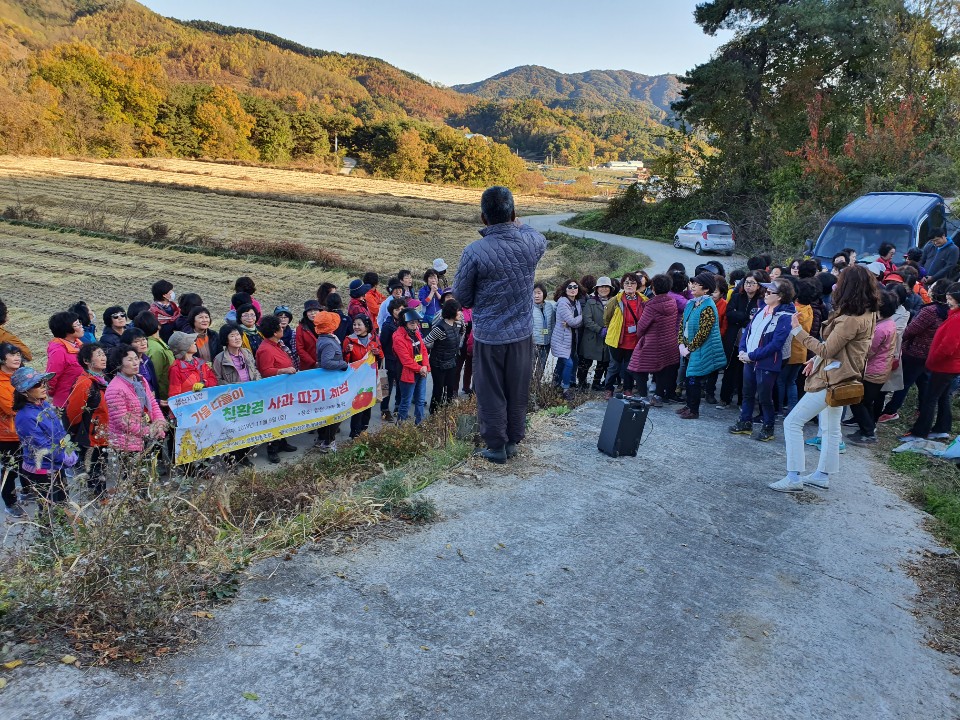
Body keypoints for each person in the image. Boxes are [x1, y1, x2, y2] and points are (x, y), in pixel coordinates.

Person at [452, 186, 547, 463]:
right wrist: (520, 224)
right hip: (521, 335)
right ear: (514, 213)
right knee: (517, 388)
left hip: (489, 336)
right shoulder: (531, 244)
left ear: (483, 218)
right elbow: (538, 236)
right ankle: (514, 441)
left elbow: (462, 297)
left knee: (490, 391)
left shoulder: (474, 251)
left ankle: (496, 447)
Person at [772, 264, 878, 493]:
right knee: (830, 427)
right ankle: (822, 474)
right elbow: (841, 350)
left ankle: (793, 477)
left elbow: (826, 350)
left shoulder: (851, 319)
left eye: (840, 281)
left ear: (850, 287)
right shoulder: (868, 312)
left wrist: (797, 330)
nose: (835, 284)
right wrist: (816, 360)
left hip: (833, 379)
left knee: (792, 422)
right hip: (845, 375)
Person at [729, 279, 795, 441]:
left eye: (769, 292)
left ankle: (768, 427)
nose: (765, 294)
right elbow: (748, 331)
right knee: (747, 393)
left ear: (780, 296)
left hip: (766, 362)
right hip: (749, 358)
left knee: (765, 398)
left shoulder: (785, 317)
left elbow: (776, 344)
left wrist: (752, 355)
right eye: (766, 291)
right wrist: (743, 349)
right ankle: (745, 422)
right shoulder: (762, 308)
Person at [900, 282, 960, 442]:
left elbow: (948, 346)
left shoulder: (957, 319)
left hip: (945, 365)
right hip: (949, 365)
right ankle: (942, 428)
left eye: (950, 299)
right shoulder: (954, 315)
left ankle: (920, 432)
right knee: (942, 396)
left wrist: (932, 360)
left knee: (930, 398)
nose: (948, 303)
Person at [12, 366, 76, 507]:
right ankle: (48, 529)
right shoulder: (26, 417)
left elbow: (59, 431)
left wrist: (69, 449)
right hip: (43, 469)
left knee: (63, 503)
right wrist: (63, 457)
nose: (43, 386)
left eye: (43, 382)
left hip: (57, 464)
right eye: (36, 384)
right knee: (50, 510)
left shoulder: (44, 405)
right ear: (24, 392)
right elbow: (41, 446)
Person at [105, 344, 167, 476]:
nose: (135, 363)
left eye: (136, 358)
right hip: (127, 443)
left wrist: (159, 423)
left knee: (150, 478)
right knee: (134, 482)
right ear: (119, 364)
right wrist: (149, 431)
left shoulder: (140, 379)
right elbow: (123, 421)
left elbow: (153, 404)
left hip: (147, 436)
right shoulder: (115, 388)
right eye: (130, 360)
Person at [845, 291, 898, 444]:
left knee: (856, 400)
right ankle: (867, 429)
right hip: (880, 370)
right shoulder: (889, 323)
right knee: (866, 401)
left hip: (873, 371)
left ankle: (868, 432)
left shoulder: (880, 329)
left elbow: (867, 351)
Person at [677, 273, 727, 420]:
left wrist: (689, 348)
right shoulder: (692, 303)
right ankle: (688, 405)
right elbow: (683, 324)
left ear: (706, 289)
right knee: (688, 377)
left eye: (696, 284)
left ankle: (694, 410)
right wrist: (681, 343)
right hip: (688, 347)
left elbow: (703, 332)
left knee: (693, 379)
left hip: (701, 349)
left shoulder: (708, 306)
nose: (692, 286)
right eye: (692, 283)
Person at [213, 324, 262, 467]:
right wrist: (233, 389)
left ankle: (244, 456)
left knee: (247, 428)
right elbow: (217, 380)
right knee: (232, 430)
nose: (237, 338)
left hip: (250, 397)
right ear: (226, 339)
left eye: (238, 335)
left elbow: (255, 370)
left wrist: (258, 384)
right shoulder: (220, 359)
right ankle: (230, 460)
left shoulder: (246, 353)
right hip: (233, 400)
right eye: (232, 335)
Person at [627, 274, 679, 406]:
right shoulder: (672, 302)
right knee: (662, 369)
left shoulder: (651, 306)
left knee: (637, 368)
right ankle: (658, 397)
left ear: (653, 288)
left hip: (652, 343)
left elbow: (641, 328)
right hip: (669, 342)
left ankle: (643, 396)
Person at [65, 343, 109, 497]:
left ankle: (101, 493)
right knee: (95, 466)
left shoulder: (103, 379)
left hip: (104, 432)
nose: (103, 358)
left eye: (103, 354)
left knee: (102, 464)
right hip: (92, 434)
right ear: (86, 361)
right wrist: (80, 431)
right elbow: (73, 412)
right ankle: (99, 496)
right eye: (98, 355)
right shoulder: (84, 383)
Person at [719, 272, 765, 408]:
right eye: (746, 282)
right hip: (734, 337)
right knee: (729, 368)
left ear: (758, 286)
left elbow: (757, 319)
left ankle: (741, 401)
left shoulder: (761, 301)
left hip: (750, 341)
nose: (748, 286)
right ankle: (724, 399)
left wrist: (742, 318)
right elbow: (730, 314)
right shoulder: (737, 296)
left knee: (744, 372)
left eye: (752, 283)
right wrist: (746, 318)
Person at [256, 315, 298, 463]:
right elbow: (265, 370)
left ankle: (282, 442)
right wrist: (283, 370)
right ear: (275, 332)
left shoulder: (276, 344)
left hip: (283, 388)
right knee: (274, 419)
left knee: (283, 417)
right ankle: (272, 449)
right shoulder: (266, 349)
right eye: (280, 327)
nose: (283, 328)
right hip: (273, 391)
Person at [603, 273, 646, 398]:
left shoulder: (644, 300)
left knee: (629, 367)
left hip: (634, 340)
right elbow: (607, 318)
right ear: (622, 284)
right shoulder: (615, 300)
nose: (629, 285)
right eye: (626, 283)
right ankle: (608, 389)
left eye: (632, 283)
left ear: (637, 285)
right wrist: (613, 329)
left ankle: (628, 389)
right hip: (617, 339)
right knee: (614, 366)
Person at [343, 314, 384, 437]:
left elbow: (381, 356)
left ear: (367, 326)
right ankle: (354, 433)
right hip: (356, 379)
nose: (356, 327)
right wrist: (347, 352)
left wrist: (378, 353)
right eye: (354, 324)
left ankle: (364, 429)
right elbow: (345, 362)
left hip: (371, 378)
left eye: (359, 324)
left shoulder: (374, 339)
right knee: (358, 405)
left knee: (368, 404)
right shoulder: (349, 340)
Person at [314, 311, 349, 452]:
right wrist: (343, 364)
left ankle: (324, 439)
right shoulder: (328, 342)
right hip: (331, 381)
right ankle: (328, 442)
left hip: (329, 380)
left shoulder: (325, 338)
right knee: (336, 412)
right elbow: (327, 362)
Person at [0, 343, 28, 516]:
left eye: (18, 354)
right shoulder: (1, 382)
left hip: (26, 429)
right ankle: (10, 502)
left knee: (27, 463)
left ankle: (28, 490)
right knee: (10, 469)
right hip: (7, 434)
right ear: (2, 359)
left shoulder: (23, 376)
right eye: (12, 355)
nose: (17, 357)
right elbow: (11, 408)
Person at [424, 298, 463, 414]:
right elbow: (426, 341)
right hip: (438, 363)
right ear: (451, 312)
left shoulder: (458, 325)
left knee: (450, 388)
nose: (460, 313)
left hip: (451, 360)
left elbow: (460, 338)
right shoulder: (439, 328)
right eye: (458, 311)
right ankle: (434, 414)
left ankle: (447, 413)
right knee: (438, 390)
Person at [393, 308, 430, 426]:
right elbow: (405, 360)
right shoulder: (398, 337)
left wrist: (425, 366)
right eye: (412, 323)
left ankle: (419, 423)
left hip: (421, 371)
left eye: (416, 322)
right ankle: (400, 426)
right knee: (406, 402)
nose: (415, 325)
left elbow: (423, 350)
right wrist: (420, 368)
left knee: (420, 400)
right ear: (405, 323)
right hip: (407, 374)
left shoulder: (416, 332)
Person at [133, 311, 174, 408]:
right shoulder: (155, 348)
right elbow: (156, 376)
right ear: (157, 325)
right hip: (164, 396)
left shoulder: (155, 342)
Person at [45, 311, 85, 409]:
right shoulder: (59, 352)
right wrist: (51, 394)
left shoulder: (78, 345)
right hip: (67, 401)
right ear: (67, 329)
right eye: (77, 324)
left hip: (82, 396)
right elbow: (51, 378)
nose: (81, 326)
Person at [550, 280, 583, 397]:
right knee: (568, 363)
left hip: (572, 339)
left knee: (561, 363)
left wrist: (574, 322)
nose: (573, 289)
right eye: (570, 287)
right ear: (565, 289)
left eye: (575, 286)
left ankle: (555, 384)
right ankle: (565, 389)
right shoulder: (563, 303)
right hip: (561, 339)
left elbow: (575, 323)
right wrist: (582, 316)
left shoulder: (577, 302)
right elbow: (573, 322)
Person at [578, 277, 612, 391]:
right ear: (597, 289)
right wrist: (599, 329)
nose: (604, 289)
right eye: (601, 287)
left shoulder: (614, 302)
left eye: (606, 287)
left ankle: (596, 383)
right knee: (586, 362)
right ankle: (582, 383)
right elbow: (587, 320)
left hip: (607, 338)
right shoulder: (590, 302)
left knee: (602, 362)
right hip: (591, 338)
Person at [378, 298, 406, 422]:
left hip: (402, 360)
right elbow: (383, 343)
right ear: (391, 311)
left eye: (402, 309)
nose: (400, 311)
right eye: (397, 309)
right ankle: (384, 410)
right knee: (386, 387)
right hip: (389, 360)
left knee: (401, 384)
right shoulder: (387, 325)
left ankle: (398, 407)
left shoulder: (406, 322)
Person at [167, 331, 218, 398]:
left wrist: (204, 383)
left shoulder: (201, 362)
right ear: (184, 347)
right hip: (191, 407)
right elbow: (175, 397)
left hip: (207, 404)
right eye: (190, 342)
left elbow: (213, 380)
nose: (194, 343)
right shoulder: (176, 369)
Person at [120, 327, 158, 396]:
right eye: (137, 341)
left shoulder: (146, 360)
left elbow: (154, 384)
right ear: (128, 344)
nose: (142, 343)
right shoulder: (127, 364)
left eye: (144, 339)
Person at [532, 283, 556, 382]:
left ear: (544, 294)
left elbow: (553, 323)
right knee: (529, 367)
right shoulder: (528, 308)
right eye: (534, 293)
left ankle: (537, 386)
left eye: (539, 293)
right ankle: (527, 387)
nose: (536, 295)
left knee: (541, 367)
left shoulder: (549, 306)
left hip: (546, 343)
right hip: (533, 343)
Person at [295, 300, 321, 370]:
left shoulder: (326, 325)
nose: (313, 313)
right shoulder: (300, 328)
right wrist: (313, 363)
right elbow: (300, 349)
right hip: (308, 367)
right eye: (309, 311)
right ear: (306, 314)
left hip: (325, 363)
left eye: (315, 310)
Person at [273, 306, 300, 371]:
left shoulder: (294, 333)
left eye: (285, 317)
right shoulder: (272, 335)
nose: (283, 319)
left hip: (294, 366)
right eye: (280, 317)